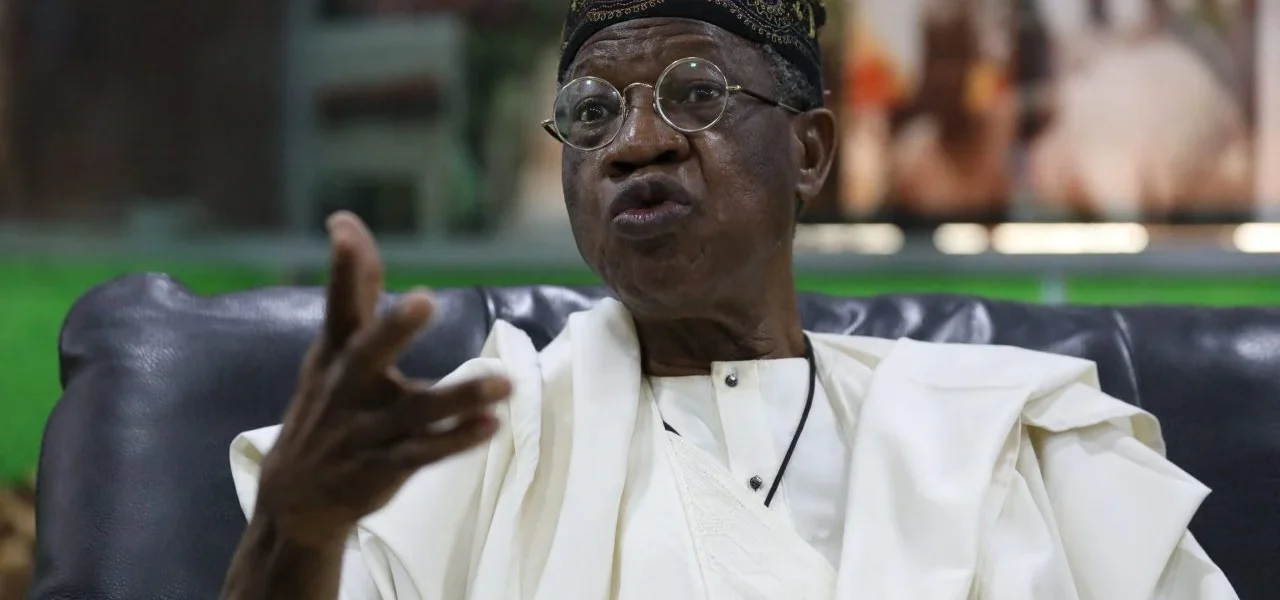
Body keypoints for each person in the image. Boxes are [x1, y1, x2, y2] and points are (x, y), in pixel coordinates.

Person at [221, 1, 1239, 598]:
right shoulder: (470, 448)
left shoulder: (1020, 439)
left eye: (696, 95)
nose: (635, 143)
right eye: (591, 113)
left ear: (809, 151)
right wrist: (294, 533)